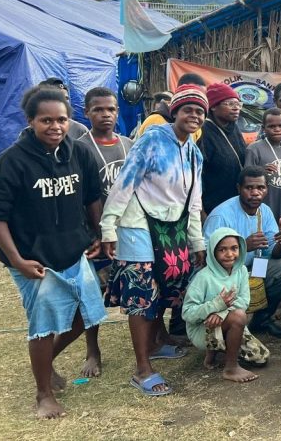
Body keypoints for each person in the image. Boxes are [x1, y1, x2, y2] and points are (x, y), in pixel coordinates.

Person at [0, 85, 105, 418]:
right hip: (33, 259)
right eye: (46, 120)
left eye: (61, 120)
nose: (55, 127)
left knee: (84, 315)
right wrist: (17, 259)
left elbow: (92, 196)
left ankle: (45, 362)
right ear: (30, 121)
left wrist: (96, 233)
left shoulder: (79, 153)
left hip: (73, 251)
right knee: (44, 326)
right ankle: (43, 395)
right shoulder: (13, 161)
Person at [101, 84, 207, 397]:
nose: (194, 115)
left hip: (172, 228)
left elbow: (194, 202)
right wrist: (109, 227)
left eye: (200, 111)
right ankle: (142, 368)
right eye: (188, 109)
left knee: (166, 284)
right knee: (141, 293)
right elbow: (125, 182)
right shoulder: (152, 139)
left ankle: (158, 342)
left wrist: (197, 242)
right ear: (175, 112)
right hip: (137, 224)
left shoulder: (194, 153)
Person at [77, 86, 134, 377]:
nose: (105, 114)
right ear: (87, 112)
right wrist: (96, 233)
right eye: (98, 109)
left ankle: (156, 337)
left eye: (110, 109)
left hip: (130, 228)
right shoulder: (79, 147)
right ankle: (92, 350)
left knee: (139, 282)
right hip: (96, 234)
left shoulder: (128, 144)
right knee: (92, 293)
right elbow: (83, 196)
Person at [203, 166, 281, 339]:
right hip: (225, 274)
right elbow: (207, 258)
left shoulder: (264, 211)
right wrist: (243, 246)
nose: (255, 193)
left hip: (254, 267)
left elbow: (274, 252)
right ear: (239, 188)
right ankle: (225, 327)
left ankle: (262, 321)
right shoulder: (221, 215)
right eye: (249, 188)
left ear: (267, 189)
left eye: (260, 188)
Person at [181, 228, 267, 383]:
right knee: (239, 316)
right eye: (222, 250)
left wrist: (221, 313)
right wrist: (216, 305)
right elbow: (187, 313)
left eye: (234, 248)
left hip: (224, 321)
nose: (229, 254)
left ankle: (213, 353)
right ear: (213, 252)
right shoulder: (203, 277)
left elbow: (244, 301)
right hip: (202, 329)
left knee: (261, 358)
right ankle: (231, 368)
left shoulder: (241, 270)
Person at [245, 107, 281, 240]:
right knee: (266, 247)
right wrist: (260, 172)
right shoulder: (254, 149)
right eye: (272, 126)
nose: (277, 129)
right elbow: (246, 181)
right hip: (265, 211)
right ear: (263, 128)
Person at [199, 82, 247, 214]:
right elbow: (199, 176)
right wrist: (202, 213)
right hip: (213, 205)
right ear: (213, 106)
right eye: (230, 104)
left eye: (238, 104)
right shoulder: (203, 132)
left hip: (238, 203)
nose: (236, 108)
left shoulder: (233, 128)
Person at [136, 73, 205, 140]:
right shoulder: (155, 123)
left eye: (199, 112)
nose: (199, 96)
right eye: (187, 110)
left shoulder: (196, 129)